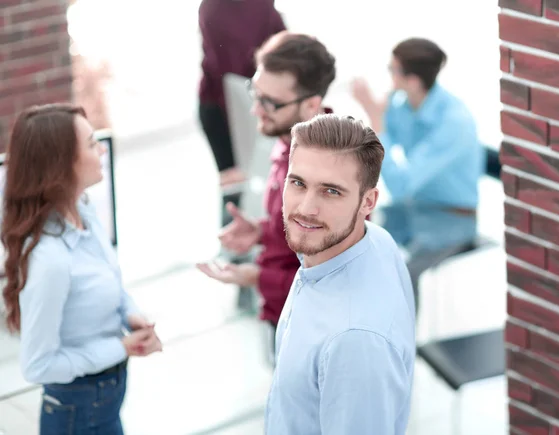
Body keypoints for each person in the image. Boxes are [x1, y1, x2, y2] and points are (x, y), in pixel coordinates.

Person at [1, 103, 162, 435]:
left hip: (105, 404)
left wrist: (130, 314)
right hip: (77, 418)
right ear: (61, 164)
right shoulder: (50, 260)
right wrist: (122, 347)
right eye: (91, 144)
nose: (102, 148)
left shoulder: (83, 213)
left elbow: (110, 283)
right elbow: (37, 366)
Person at [264, 114, 415, 434]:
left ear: (367, 201)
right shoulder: (372, 239)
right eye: (298, 182)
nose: (306, 207)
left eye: (331, 191)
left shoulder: (354, 341)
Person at [197, 31, 337, 357]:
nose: (255, 110)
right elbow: (300, 234)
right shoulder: (287, 139)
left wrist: (257, 277)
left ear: (311, 105)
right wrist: (262, 231)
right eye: (255, 94)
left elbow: (330, 284)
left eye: (269, 103)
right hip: (283, 313)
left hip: (310, 331)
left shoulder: (328, 175)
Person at [352, 38, 484, 311]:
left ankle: (400, 345)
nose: (389, 76)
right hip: (413, 210)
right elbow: (384, 139)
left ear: (412, 80)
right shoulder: (404, 105)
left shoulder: (453, 122)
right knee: (349, 237)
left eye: (393, 70)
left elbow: (400, 184)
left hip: (451, 219)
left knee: (402, 272)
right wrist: (378, 113)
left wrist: (376, 121)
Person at [198, 0, 286, 188]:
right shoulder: (212, 8)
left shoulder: (262, 5)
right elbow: (226, 73)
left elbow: (285, 46)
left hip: (259, 100)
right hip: (221, 109)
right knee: (236, 183)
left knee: (269, 179)